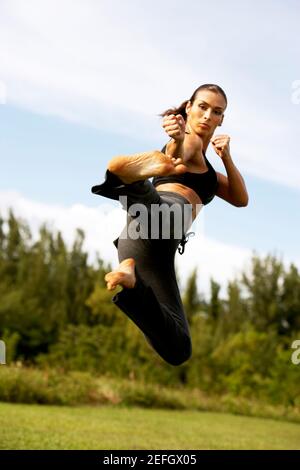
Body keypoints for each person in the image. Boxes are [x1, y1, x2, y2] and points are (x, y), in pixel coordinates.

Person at [91, 84, 249, 366]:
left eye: (216, 112)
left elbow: (240, 199)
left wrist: (226, 157)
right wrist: (174, 141)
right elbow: (177, 155)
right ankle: (129, 178)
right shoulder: (189, 142)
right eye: (202, 107)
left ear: (222, 119)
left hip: (144, 247)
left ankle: (132, 282)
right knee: (161, 209)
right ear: (189, 107)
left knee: (179, 349)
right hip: (165, 216)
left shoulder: (209, 170)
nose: (208, 116)